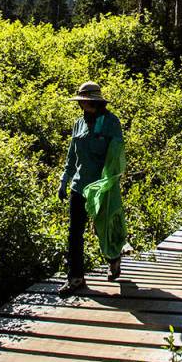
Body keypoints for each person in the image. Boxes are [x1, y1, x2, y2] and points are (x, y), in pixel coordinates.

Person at [57, 81, 125, 295]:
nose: (81, 104)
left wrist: (108, 183)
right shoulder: (78, 123)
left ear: (93, 101)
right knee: (74, 233)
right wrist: (64, 180)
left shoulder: (111, 123)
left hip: (102, 188)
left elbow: (116, 157)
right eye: (80, 101)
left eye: (84, 101)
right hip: (80, 187)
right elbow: (72, 155)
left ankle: (113, 259)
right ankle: (76, 278)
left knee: (104, 229)